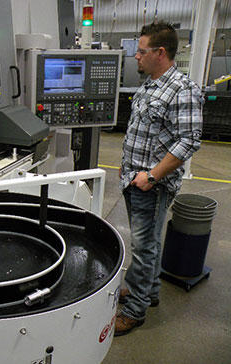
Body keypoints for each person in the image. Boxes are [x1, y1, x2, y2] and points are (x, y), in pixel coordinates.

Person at [115, 21, 203, 336]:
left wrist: (151, 176)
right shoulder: (151, 84)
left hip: (151, 184)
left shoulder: (182, 88)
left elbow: (189, 140)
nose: (136, 57)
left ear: (160, 52)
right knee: (148, 243)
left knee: (142, 247)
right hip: (133, 180)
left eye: (141, 51)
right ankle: (148, 291)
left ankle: (135, 310)